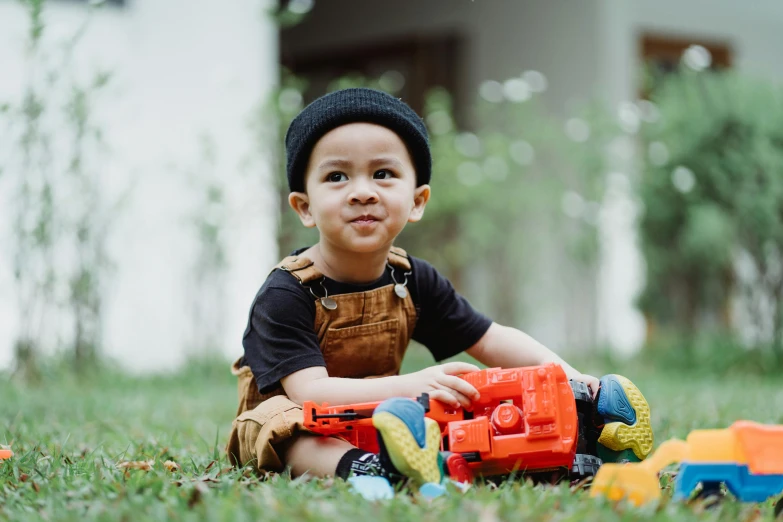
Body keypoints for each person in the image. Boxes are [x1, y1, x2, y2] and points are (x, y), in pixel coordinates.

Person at [226, 87, 652, 487]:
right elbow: (311, 393)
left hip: (383, 414)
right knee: (290, 429)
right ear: (304, 207)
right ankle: (368, 470)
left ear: (417, 200)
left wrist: (576, 381)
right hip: (293, 423)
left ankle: (577, 440)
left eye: (383, 173)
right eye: (337, 177)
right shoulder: (286, 294)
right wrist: (413, 384)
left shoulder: (411, 279)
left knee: (472, 399)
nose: (361, 192)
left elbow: (490, 338)